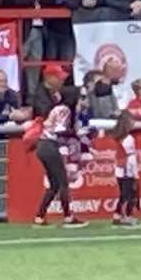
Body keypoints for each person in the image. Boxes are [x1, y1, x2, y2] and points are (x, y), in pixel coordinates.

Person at [33, 83, 90, 228]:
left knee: (54, 184)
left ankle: (40, 216)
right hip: (49, 146)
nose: (81, 101)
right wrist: (77, 134)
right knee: (63, 182)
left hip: (43, 146)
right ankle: (68, 217)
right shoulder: (64, 110)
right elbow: (59, 130)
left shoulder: (59, 108)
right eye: (80, 98)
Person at [106, 111, 141, 229]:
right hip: (126, 169)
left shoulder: (120, 137)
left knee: (124, 194)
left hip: (120, 169)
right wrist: (134, 173)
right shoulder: (129, 138)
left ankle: (118, 215)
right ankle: (125, 216)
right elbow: (129, 157)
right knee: (128, 194)